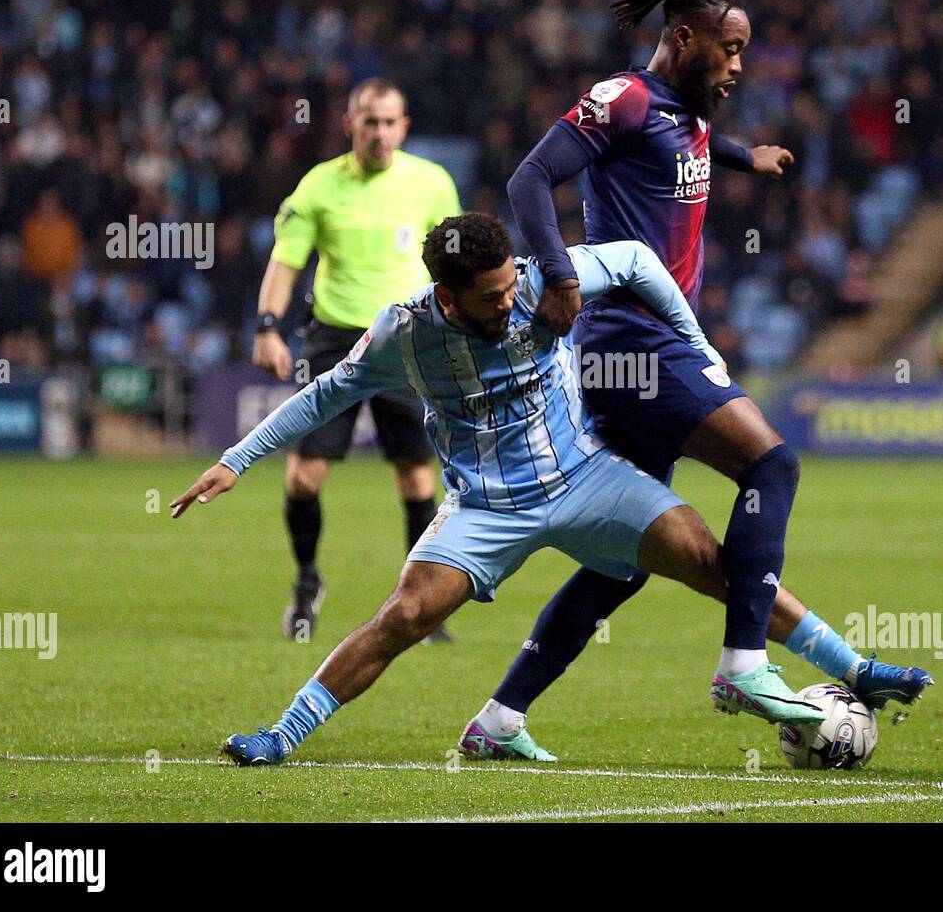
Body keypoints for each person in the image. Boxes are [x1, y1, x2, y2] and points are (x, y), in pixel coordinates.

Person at [172, 214, 841, 766]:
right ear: (446, 295)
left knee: (713, 564)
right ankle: (279, 738)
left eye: (506, 285)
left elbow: (637, 259)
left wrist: (698, 346)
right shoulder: (402, 333)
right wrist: (238, 458)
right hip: (484, 507)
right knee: (404, 617)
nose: (506, 301)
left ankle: (853, 666)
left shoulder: (532, 283)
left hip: (585, 479)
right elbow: (325, 395)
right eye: (488, 296)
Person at [475, 0, 932, 759]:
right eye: (730, 48)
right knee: (773, 464)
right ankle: (743, 666)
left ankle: (500, 719)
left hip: (640, 347)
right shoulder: (620, 97)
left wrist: (742, 156)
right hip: (634, 340)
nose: (739, 65)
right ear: (684, 38)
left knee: (621, 564)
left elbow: (679, 136)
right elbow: (529, 179)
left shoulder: (684, 112)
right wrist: (558, 275)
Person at [252, 78, 460, 641]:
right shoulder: (319, 186)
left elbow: (453, 264)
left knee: (417, 478)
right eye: (370, 121)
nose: (381, 132)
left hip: (409, 340)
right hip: (336, 342)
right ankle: (306, 581)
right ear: (351, 125)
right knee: (304, 476)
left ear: (404, 127)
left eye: (390, 122)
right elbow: (285, 262)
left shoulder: (432, 184)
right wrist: (269, 327)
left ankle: (421, 602)